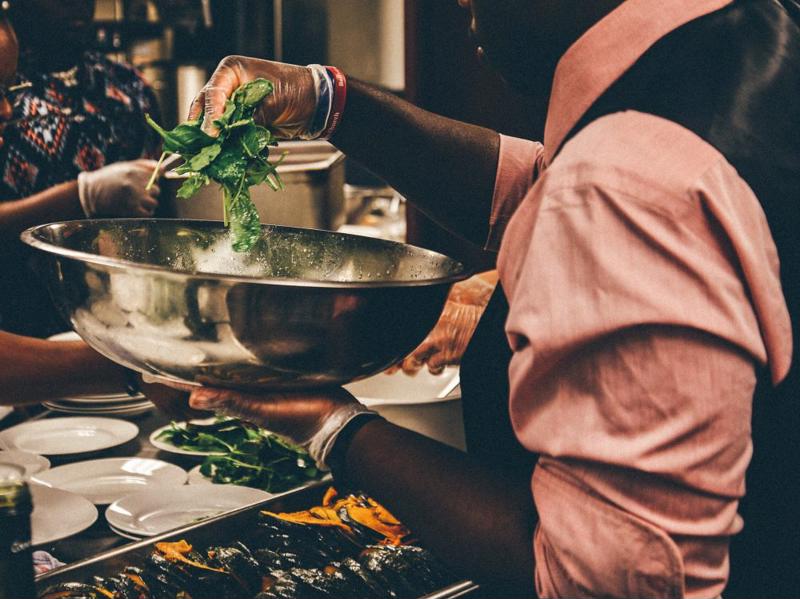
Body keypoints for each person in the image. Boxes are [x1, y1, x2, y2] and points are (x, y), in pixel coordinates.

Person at [165, 1, 798, 596]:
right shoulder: (748, 37)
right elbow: (542, 187)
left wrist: (329, 424)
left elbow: (598, 578)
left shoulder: (620, 184)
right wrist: (326, 102)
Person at [0, 0, 163, 337]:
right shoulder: (9, 90)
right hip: (20, 329)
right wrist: (81, 196)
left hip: (121, 319)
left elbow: (163, 221)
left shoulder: (129, 90)